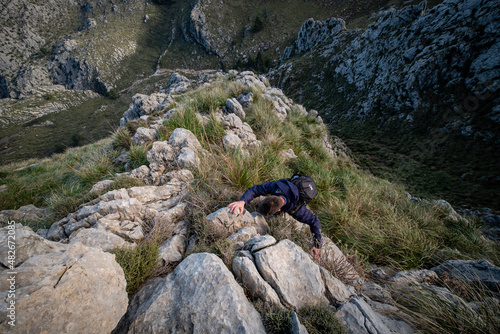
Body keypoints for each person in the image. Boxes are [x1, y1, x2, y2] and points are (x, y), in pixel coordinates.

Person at [228, 178, 323, 259]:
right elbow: (256, 189)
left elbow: (314, 221)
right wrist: (242, 201)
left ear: (279, 210)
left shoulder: (297, 210)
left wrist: (317, 244)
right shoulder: (275, 186)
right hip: (289, 187)